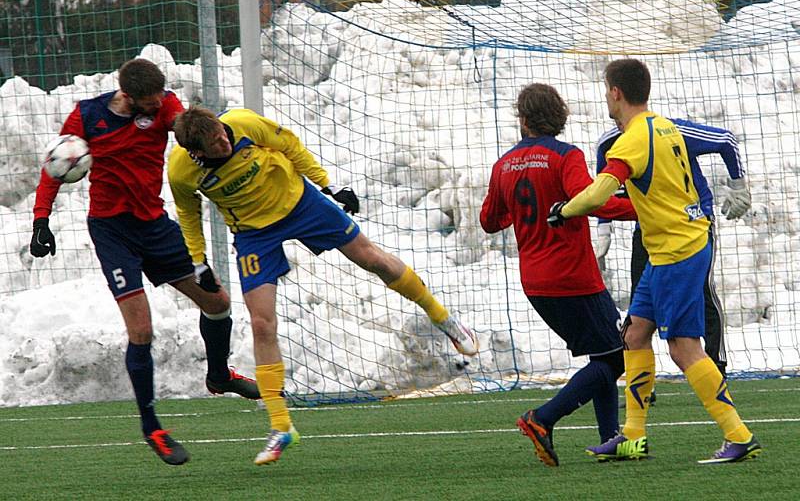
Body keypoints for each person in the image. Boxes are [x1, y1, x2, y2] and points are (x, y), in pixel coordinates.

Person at [168, 105, 479, 466]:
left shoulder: (244, 123)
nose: (225, 143)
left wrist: (328, 185)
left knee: (373, 259)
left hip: (301, 204)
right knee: (261, 323)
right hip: (253, 234)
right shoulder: (181, 171)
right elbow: (188, 214)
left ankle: (444, 319)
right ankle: (281, 425)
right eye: (217, 145)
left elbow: (290, 146)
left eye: (224, 136)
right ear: (197, 153)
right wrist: (198, 260)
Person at [30, 58, 259, 466]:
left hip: (156, 227)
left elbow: (187, 127)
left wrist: (219, 144)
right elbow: (54, 168)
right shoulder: (87, 115)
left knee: (218, 302)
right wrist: (41, 219)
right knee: (142, 330)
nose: (158, 109)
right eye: (150, 104)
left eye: (160, 101)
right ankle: (152, 426)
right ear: (128, 97)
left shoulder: (165, 105)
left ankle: (219, 375)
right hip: (112, 232)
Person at [548, 58, 760, 464]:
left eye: (605, 89)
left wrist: (564, 210)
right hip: (668, 248)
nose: (604, 97)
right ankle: (632, 436)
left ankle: (738, 435)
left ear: (615, 93)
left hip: (678, 251)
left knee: (683, 348)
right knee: (634, 335)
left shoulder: (629, 141)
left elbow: (598, 194)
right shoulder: (663, 125)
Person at [480, 83, 637, 467]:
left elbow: (489, 221)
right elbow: (591, 200)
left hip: (535, 281)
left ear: (524, 119)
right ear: (558, 115)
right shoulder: (566, 157)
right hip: (572, 275)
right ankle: (543, 418)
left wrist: (518, 210)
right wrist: (642, 209)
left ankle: (610, 438)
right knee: (616, 358)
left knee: (604, 352)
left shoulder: (504, 164)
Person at [594, 120, 751, 380]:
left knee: (703, 291)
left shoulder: (670, 131)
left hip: (693, 226)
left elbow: (726, 140)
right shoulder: (608, 144)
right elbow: (604, 191)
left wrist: (739, 187)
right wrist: (603, 230)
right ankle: (641, 383)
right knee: (639, 307)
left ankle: (716, 367)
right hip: (648, 230)